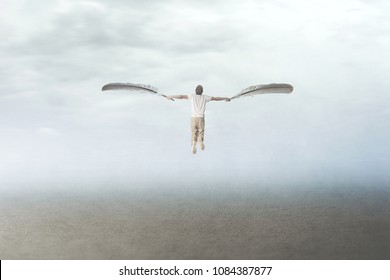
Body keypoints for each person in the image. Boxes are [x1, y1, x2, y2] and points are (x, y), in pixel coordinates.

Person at [166, 85, 230, 154]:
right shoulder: (205, 97)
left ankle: (194, 143)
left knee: (194, 132)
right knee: (201, 132)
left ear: (195, 90)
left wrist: (170, 96)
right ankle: (201, 141)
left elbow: (181, 96)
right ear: (202, 91)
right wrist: (225, 98)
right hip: (201, 118)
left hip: (193, 118)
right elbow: (215, 98)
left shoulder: (192, 96)